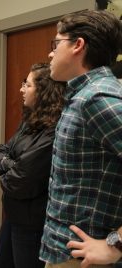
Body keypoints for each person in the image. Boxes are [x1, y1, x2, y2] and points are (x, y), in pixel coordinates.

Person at [39, 10, 122, 268]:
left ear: (78, 45)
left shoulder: (98, 99)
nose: (51, 53)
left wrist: (116, 244)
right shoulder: (82, 94)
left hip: (85, 259)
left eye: (56, 43)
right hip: (64, 250)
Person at [0, 63, 66, 268]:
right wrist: (12, 164)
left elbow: (18, 182)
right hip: (13, 216)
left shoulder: (55, 129)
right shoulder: (30, 121)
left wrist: (10, 167)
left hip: (33, 225)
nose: (21, 89)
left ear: (43, 91)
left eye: (28, 84)